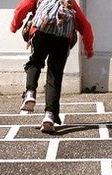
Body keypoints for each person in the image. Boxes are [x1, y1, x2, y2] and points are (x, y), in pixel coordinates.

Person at [10, 0, 94, 132]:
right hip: (62, 39)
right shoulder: (69, 1)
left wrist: (15, 26)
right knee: (54, 75)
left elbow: (22, 8)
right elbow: (85, 25)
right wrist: (89, 48)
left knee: (35, 62)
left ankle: (30, 93)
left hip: (41, 32)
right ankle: (49, 115)